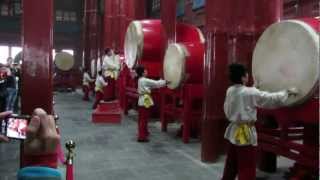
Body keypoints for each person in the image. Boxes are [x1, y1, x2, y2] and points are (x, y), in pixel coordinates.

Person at [221, 63, 298, 180]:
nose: (248, 76)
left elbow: (246, 94)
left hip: (234, 131)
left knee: (231, 163)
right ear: (242, 77)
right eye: (246, 74)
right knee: (247, 166)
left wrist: (254, 87)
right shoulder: (250, 92)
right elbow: (270, 98)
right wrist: (287, 92)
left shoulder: (230, 90)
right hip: (245, 134)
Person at [135, 65, 168, 142]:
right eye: (145, 70)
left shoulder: (140, 80)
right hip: (145, 101)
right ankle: (142, 137)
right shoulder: (144, 80)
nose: (147, 71)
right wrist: (165, 82)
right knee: (144, 119)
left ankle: (143, 133)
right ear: (143, 73)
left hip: (141, 101)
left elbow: (152, 85)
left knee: (142, 119)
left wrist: (161, 82)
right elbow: (156, 83)